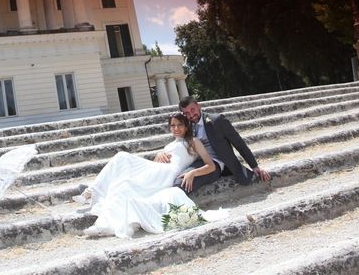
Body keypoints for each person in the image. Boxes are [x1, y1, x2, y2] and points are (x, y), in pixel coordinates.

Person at [73, 112, 216, 238]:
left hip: (167, 175)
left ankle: (92, 196)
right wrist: (158, 155)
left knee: (122, 159)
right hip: (157, 170)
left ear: (186, 127)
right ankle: (103, 222)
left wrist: (192, 172)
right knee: (122, 181)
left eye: (180, 125)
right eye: (173, 126)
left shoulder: (193, 142)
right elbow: (156, 163)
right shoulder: (168, 145)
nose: (176, 129)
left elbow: (211, 165)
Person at [174, 95, 271, 194]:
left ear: (199, 106)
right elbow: (179, 144)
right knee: (176, 180)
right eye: (186, 113)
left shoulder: (217, 120)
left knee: (181, 184)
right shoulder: (187, 126)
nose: (191, 115)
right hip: (198, 163)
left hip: (215, 165)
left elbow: (239, 143)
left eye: (193, 110)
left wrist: (254, 166)